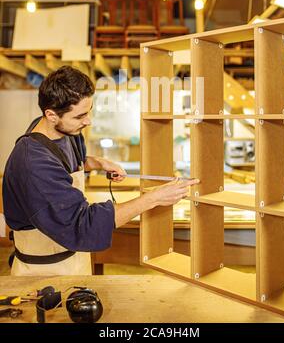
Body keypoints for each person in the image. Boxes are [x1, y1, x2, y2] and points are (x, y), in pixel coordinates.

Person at [2, 66, 198, 276]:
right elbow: (83, 225)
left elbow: (67, 163)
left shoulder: (64, 130)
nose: (88, 121)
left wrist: (98, 162)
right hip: (44, 271)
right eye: (80, 116)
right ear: (51, 115)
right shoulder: (32, 162)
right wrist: (154, 198)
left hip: (75, 258)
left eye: (89, 112)